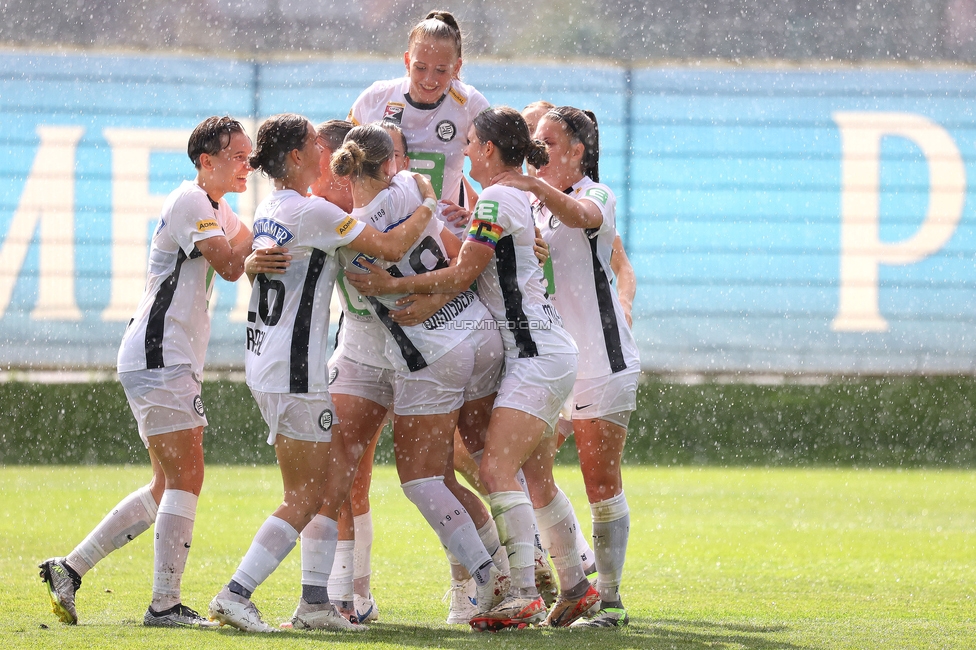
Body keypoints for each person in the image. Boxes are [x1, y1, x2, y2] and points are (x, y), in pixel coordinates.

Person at [347, 106, 597, 631]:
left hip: (534, 354)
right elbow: (483, 252)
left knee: (493, 470)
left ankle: (521, 591)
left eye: (468, 142)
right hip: (524, 348)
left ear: (486, 149)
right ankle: (576, 583)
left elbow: (463, 272)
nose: (462, 150)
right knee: (527, 472)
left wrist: (391, 287)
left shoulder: (495, 198)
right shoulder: (504, 198)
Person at [206, 113, 437, 633]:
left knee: (328, 484)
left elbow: (253, 261)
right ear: (295, 157)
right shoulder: (314, 214)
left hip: (269, 363)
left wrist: (247, 265)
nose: (323, 149)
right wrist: (427, 201)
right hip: (295, 370)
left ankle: (314, 604)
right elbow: (392, 248)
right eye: (314, 142)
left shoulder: (271, 207)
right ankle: (236, 593)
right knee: (307, 496)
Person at [39, 116, 256, 627]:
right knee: (188, 475)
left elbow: (250, 243)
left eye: (251, 156)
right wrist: (264, 245)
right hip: (160, 355)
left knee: (166, 484)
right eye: (239, 156)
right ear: (207, 161)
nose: (249, 165)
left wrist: (272, 233)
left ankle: (69, 569)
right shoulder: (191, 201)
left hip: (163, 356)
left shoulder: (217, 206)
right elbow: (231, 263)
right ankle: (164, 605)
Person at [333, 122, 509, 621]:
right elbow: (418, 221)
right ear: (392, 163)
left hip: (432, 352)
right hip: (476, 329)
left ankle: (491, 577)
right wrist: (430, 201)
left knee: (420, 479)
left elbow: (387, 252)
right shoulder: (412, 186)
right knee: (464, 469)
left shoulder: (351, 228)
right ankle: (519, 566)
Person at [495, 106, 642, 629]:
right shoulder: (535, 208)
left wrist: (531, 186)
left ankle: (612, 600)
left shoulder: (595, 195)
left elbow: (583, 219)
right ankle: (569, 584)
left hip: (604, 358)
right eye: (535, 140)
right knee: (531, 472)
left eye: (549, 141)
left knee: (600, 480)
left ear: (578, 151)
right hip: (554, 361)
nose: (539, 149)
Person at [348, 9, 487, 238]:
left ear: (457, 67)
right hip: (380, 236)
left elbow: (500, 168)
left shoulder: (470, 104)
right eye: (420, 68)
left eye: (441, 70)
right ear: (406, 61)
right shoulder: (376, 98)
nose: (429, 80)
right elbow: (340, 164)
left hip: (444, 240)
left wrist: (477, 215)